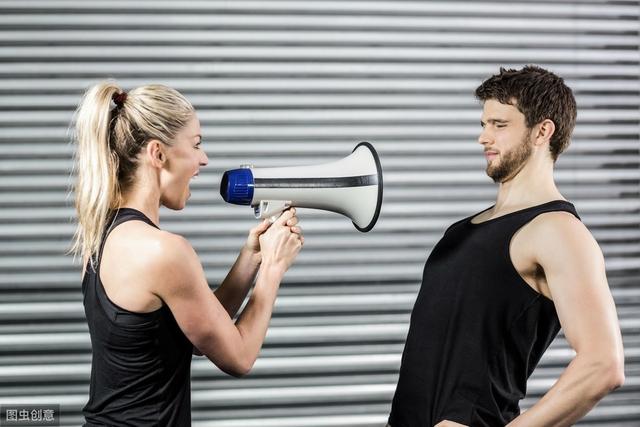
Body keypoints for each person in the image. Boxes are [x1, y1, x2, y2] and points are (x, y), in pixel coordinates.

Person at [387, 66, 625, 427]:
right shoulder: (463, 230)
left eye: (499, 125)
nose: (484, 138)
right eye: (483, 125)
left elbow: (603, 365)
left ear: (542, 131)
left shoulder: (558, 230)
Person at [70, 82, 304, 426]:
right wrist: (273, 267)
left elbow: (196, 337)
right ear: (158, 154)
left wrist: (251, 257)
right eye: (196, 145)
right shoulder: (164, 251)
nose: (204, 159)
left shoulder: (100, 237)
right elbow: (239, 357)